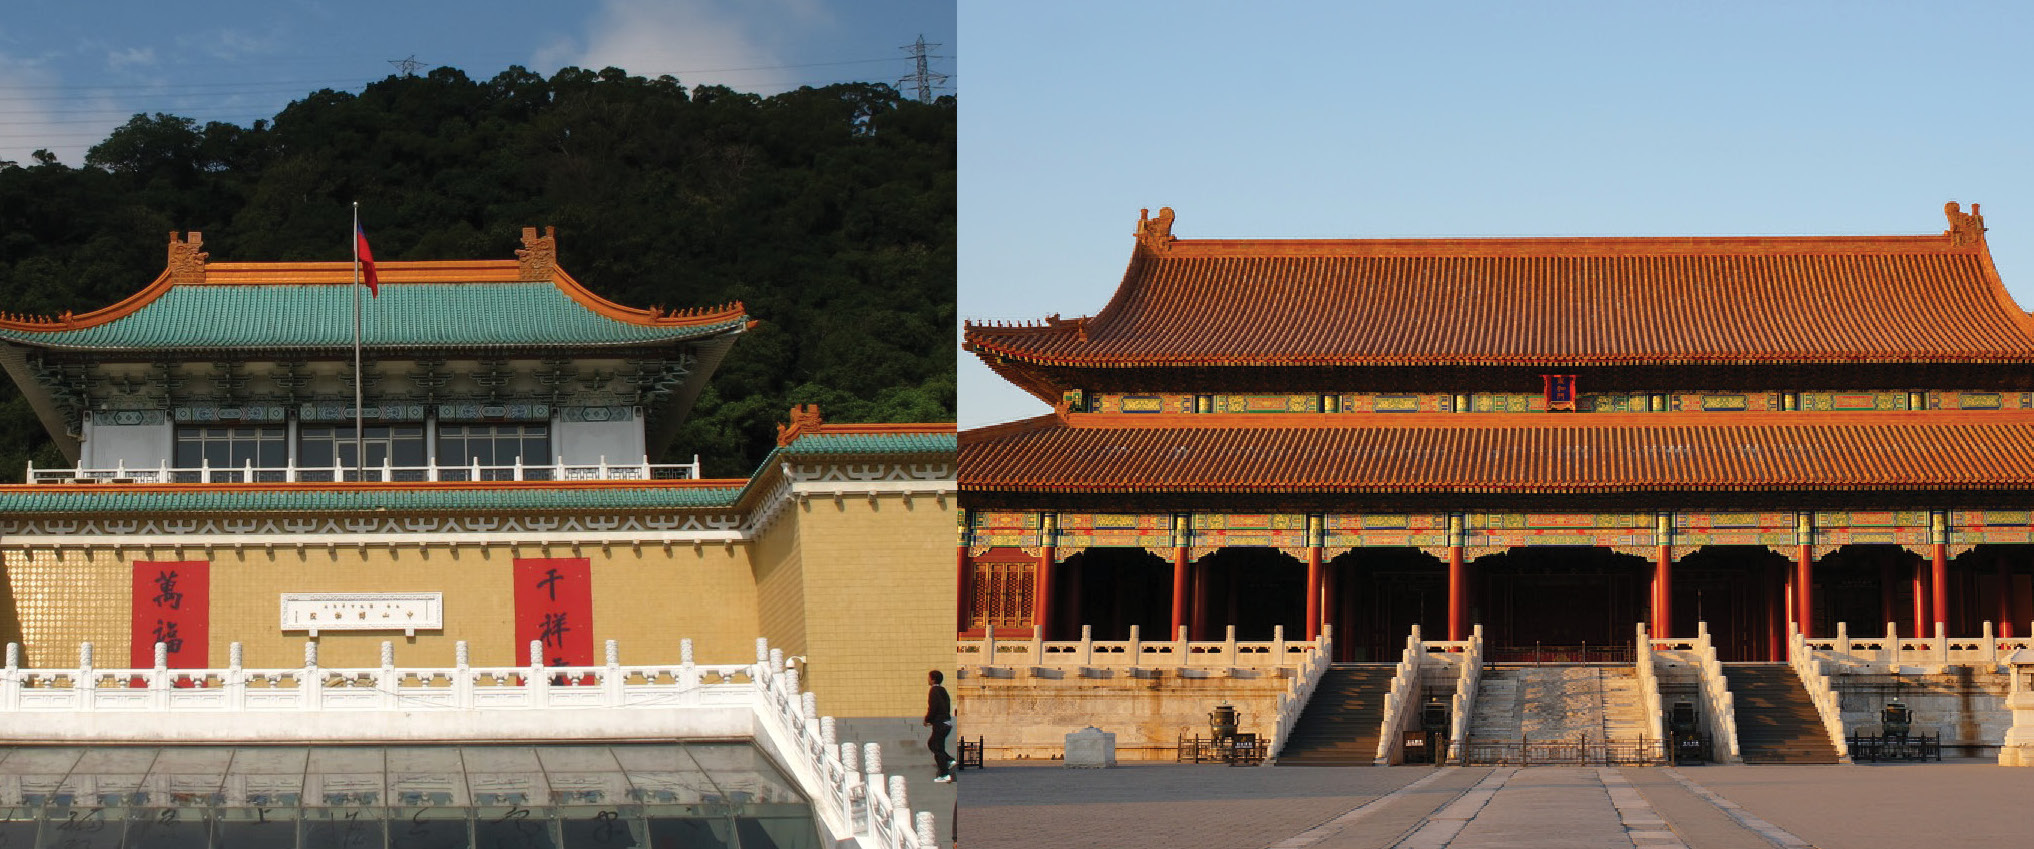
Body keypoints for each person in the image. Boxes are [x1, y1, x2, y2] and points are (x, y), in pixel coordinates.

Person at [925, 669, 954, 782]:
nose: (928, 679)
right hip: (946, 722)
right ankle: (949, 760)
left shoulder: (934, 690)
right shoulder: (943, 690)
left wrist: (928, 719)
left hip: (940, 723)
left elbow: (933, 707)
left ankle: (945, 774)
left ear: (933, 679)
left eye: (929, 677)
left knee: (938, 749)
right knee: (931, 743)